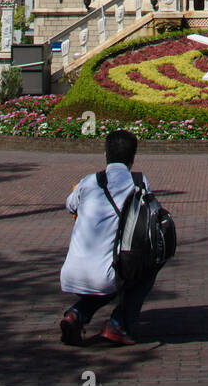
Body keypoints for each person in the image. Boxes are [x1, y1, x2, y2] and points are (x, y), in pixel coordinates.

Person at [59, 128, 158, 346]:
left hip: (71, 272)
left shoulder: (88, 181)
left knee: (109, 278)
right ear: (133, 159)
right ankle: (118, 324)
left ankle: (76, 314)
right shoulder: (139, 183)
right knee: (142, 271)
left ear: (105, 155)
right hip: (107, 273)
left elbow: (70, 206)